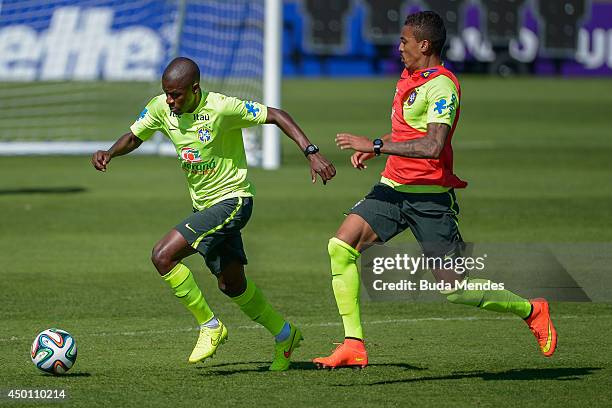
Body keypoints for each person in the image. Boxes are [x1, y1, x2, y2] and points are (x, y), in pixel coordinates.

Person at [313, 11, 557, 369]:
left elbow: (432, 146)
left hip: (430, 199)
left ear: (423, 44)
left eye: (404, 41)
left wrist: (378, 144)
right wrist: (379, 146)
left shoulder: (442, 86)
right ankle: (354, 344)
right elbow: (411, 133)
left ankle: (531, 310)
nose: (399, 47)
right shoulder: (410, 77)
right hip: (393, 189)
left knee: (455, 289)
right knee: (340, 246)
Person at [92, 57, 336, 371]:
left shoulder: (221, 108)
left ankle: (209, 325)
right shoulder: (160, 108)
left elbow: (277, 115)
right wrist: (110, 152)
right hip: (205, 207)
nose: (170, 100)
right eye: (166, 93)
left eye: (176, 95)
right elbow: (135, 136)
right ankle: (285, 334)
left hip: (233, 201)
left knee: (162, 256)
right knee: (231, 284)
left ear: (195, 89)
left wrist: (311, 152)